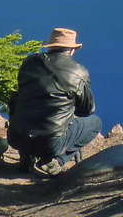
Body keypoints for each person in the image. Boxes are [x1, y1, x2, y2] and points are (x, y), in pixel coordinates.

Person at [8, 27, 102, 174]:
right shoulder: (79, 72)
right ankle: (53, 162)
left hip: (16, 137)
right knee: (95, 122)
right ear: (72, 50)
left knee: (21, 102)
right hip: (49, 144)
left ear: (50, 47)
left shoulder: (29, 62)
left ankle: (26, 157)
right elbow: (86, 110)